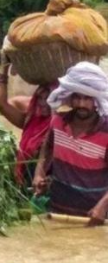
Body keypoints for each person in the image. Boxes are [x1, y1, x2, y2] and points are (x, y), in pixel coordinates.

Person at [33, 62, 108, 225]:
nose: (81, 104)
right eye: (77, 97)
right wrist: (39, 174)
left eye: (87, 98)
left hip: (93, 216)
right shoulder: (58, 121)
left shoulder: (106, 131)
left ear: (96, 100)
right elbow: (47, 149)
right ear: (70, 97)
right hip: (57, 211)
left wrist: (103, 205)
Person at [0, 67, 57, 185]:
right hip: (25, 183)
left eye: (49, 99)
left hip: (46, 187)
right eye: (40, 98)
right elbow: (2, 106)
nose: (43, 102)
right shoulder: (30, 121)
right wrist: (4, 68)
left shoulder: (62, 127)